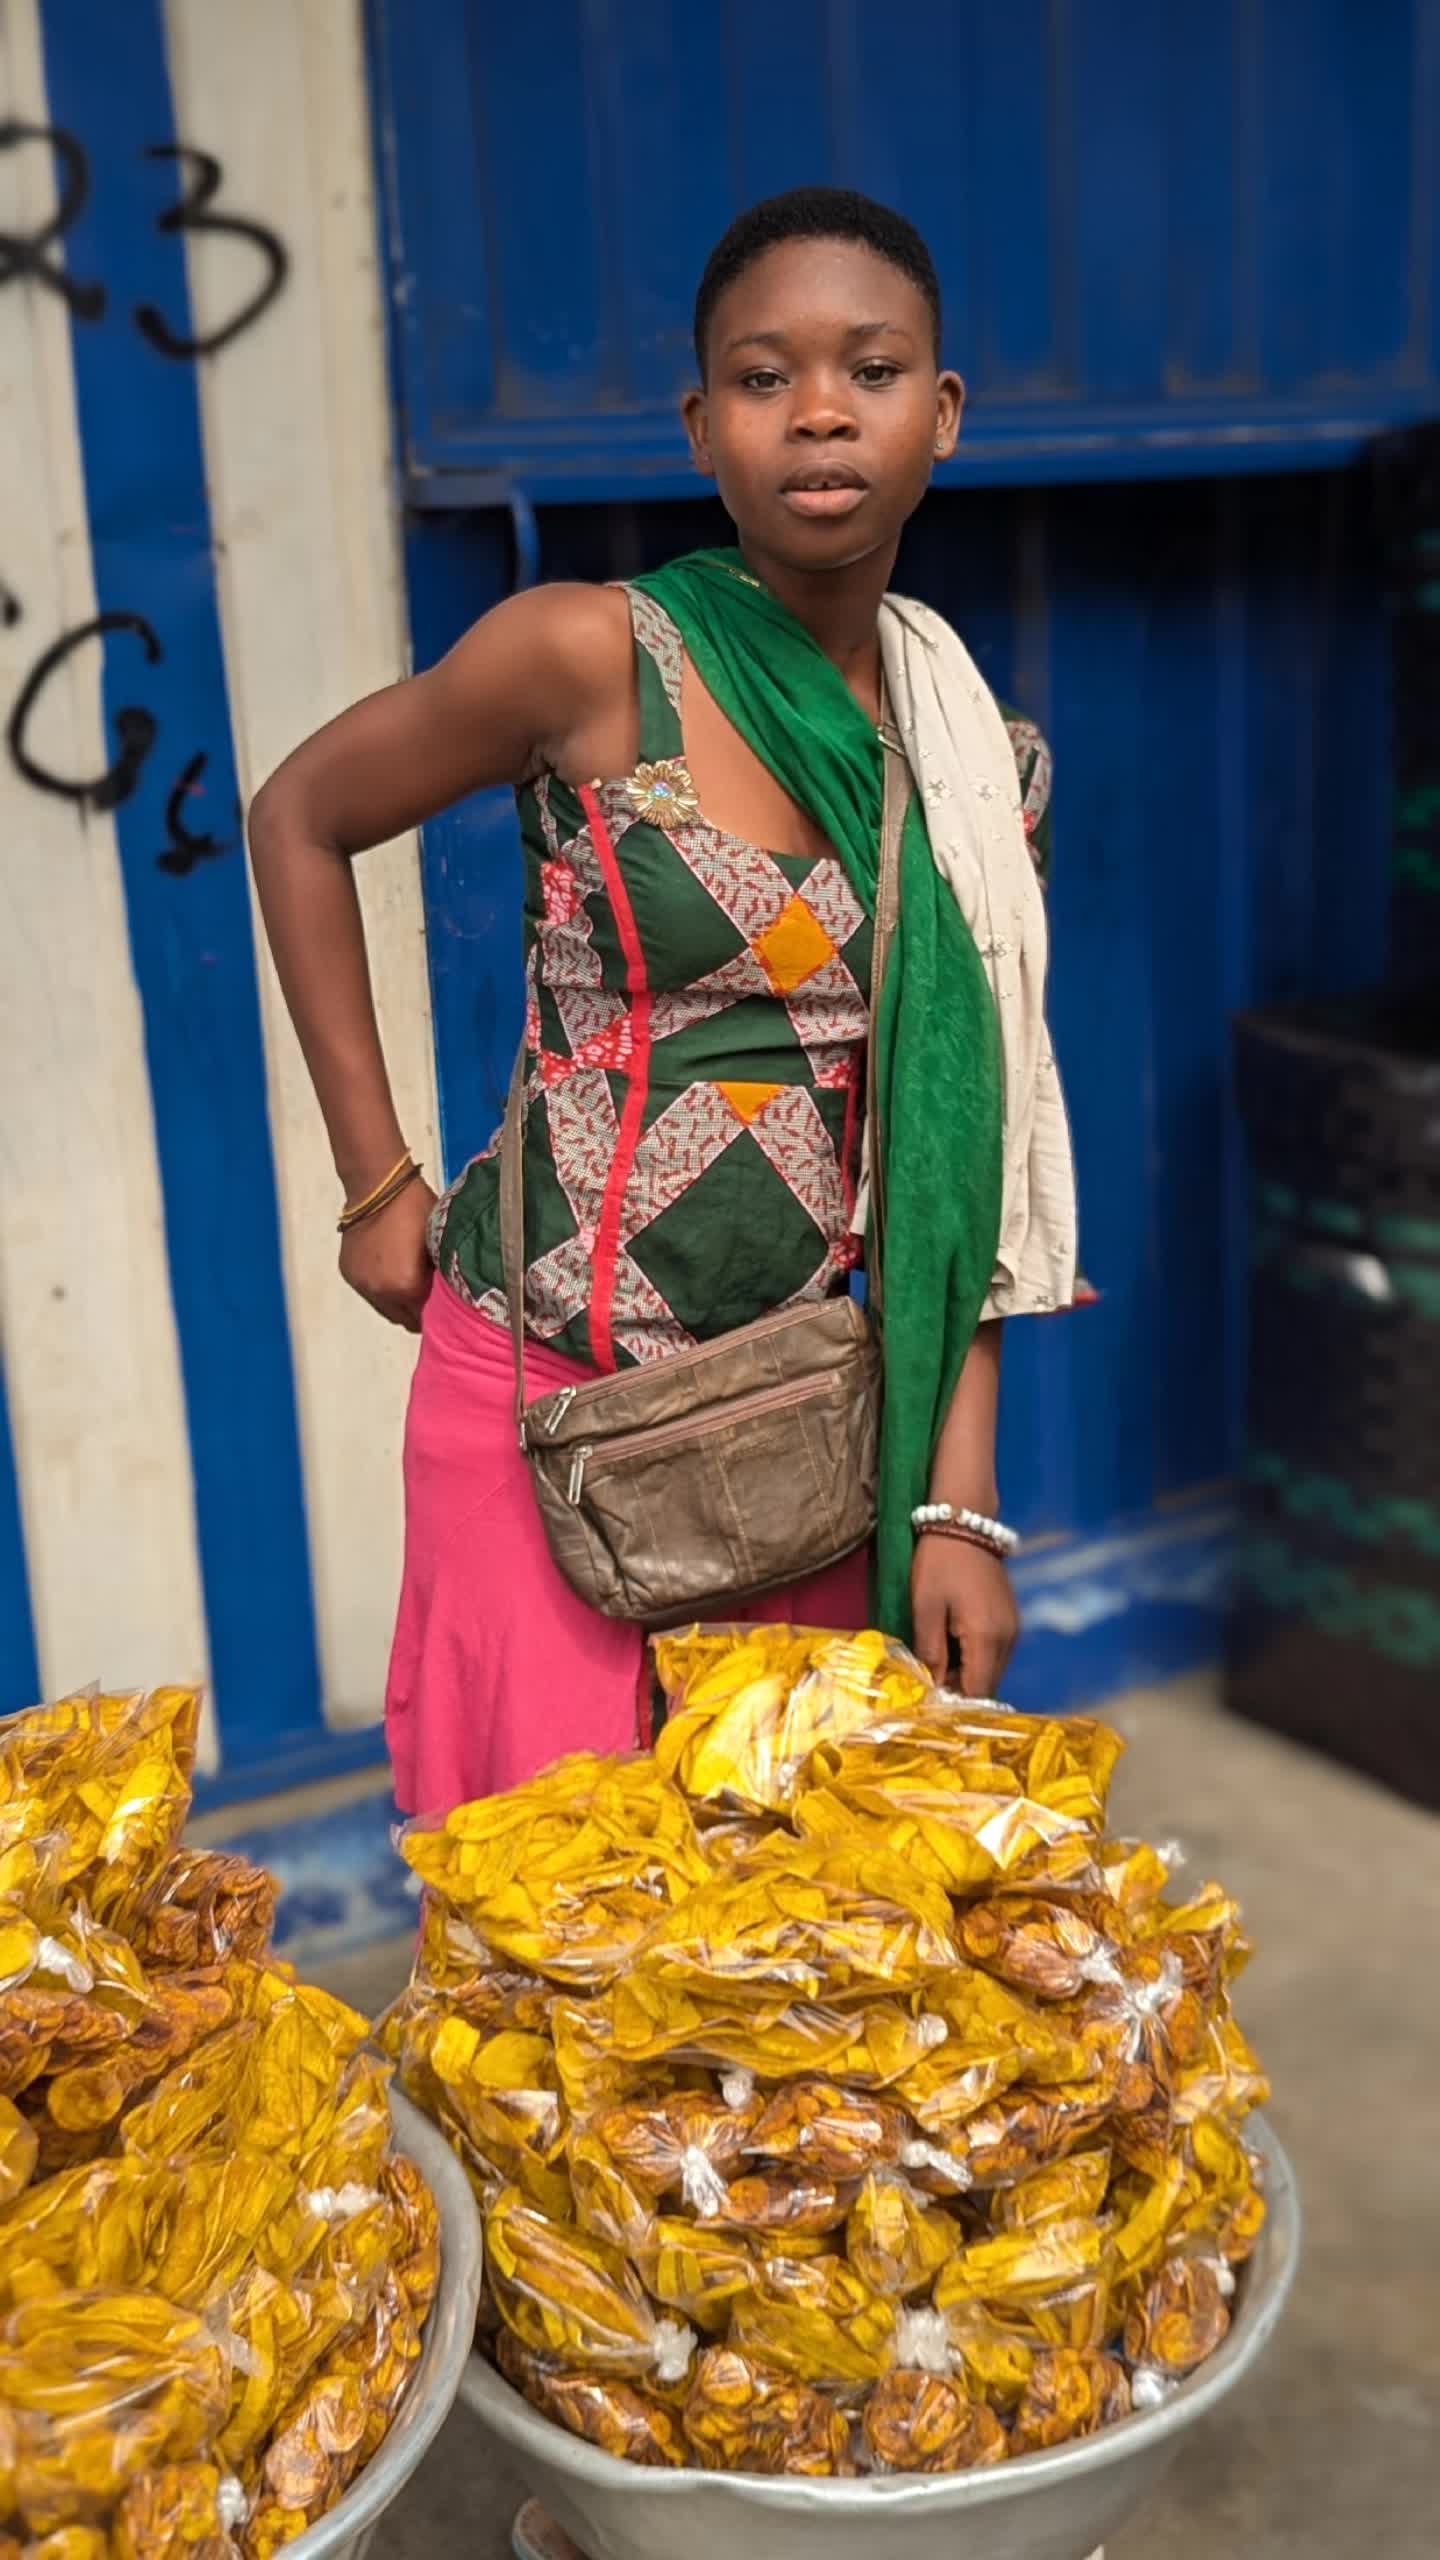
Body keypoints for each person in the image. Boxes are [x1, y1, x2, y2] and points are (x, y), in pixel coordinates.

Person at [248, 187, 1078, 1825]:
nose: (820, 412)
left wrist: (957, 1507)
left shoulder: (981, 768)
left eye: (871, 371)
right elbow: (300, 818)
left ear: (942, 415)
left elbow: (961, 1155)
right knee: (546, 1905)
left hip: (799, 1434)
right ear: (703, 428)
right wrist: (373, 1181)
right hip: (543, 1408)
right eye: (765, 378)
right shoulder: (591, 659)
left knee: (763, 1920)